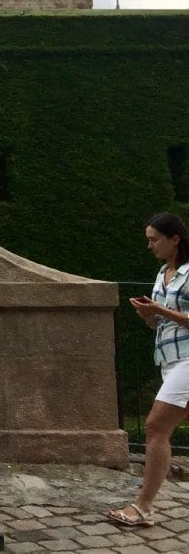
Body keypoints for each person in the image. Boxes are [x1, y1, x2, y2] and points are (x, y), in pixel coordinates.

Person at [108, 212, 189, 528]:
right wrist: (148, 315)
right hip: (168, 360)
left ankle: (143, 506)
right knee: (163, 428)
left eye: (154, 239)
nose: (149, 245)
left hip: (187, 359)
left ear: (175, 238)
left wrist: (159, 310)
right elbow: (161, 322)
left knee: (156, 427)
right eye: (148, 239)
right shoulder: (161, 273)